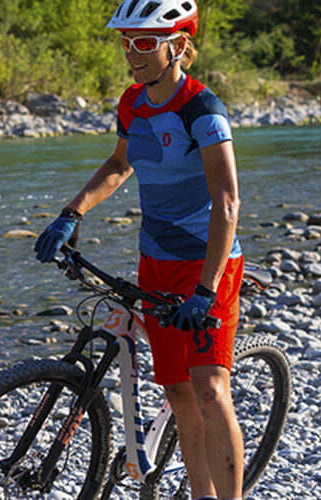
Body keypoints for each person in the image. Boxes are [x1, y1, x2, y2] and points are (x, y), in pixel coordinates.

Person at [33, 1, 245, 499]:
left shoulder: (202, 109)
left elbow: (227, 202)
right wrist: (71, 213)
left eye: (145, 42)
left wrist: (206, 290)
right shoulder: (133, 103)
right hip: (156, 263)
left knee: (211, 389)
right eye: (127, 42)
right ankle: (201, 494)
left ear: (179, 45)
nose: (133, 52)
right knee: (177, 390)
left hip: (206, 263)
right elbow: (118, 165)